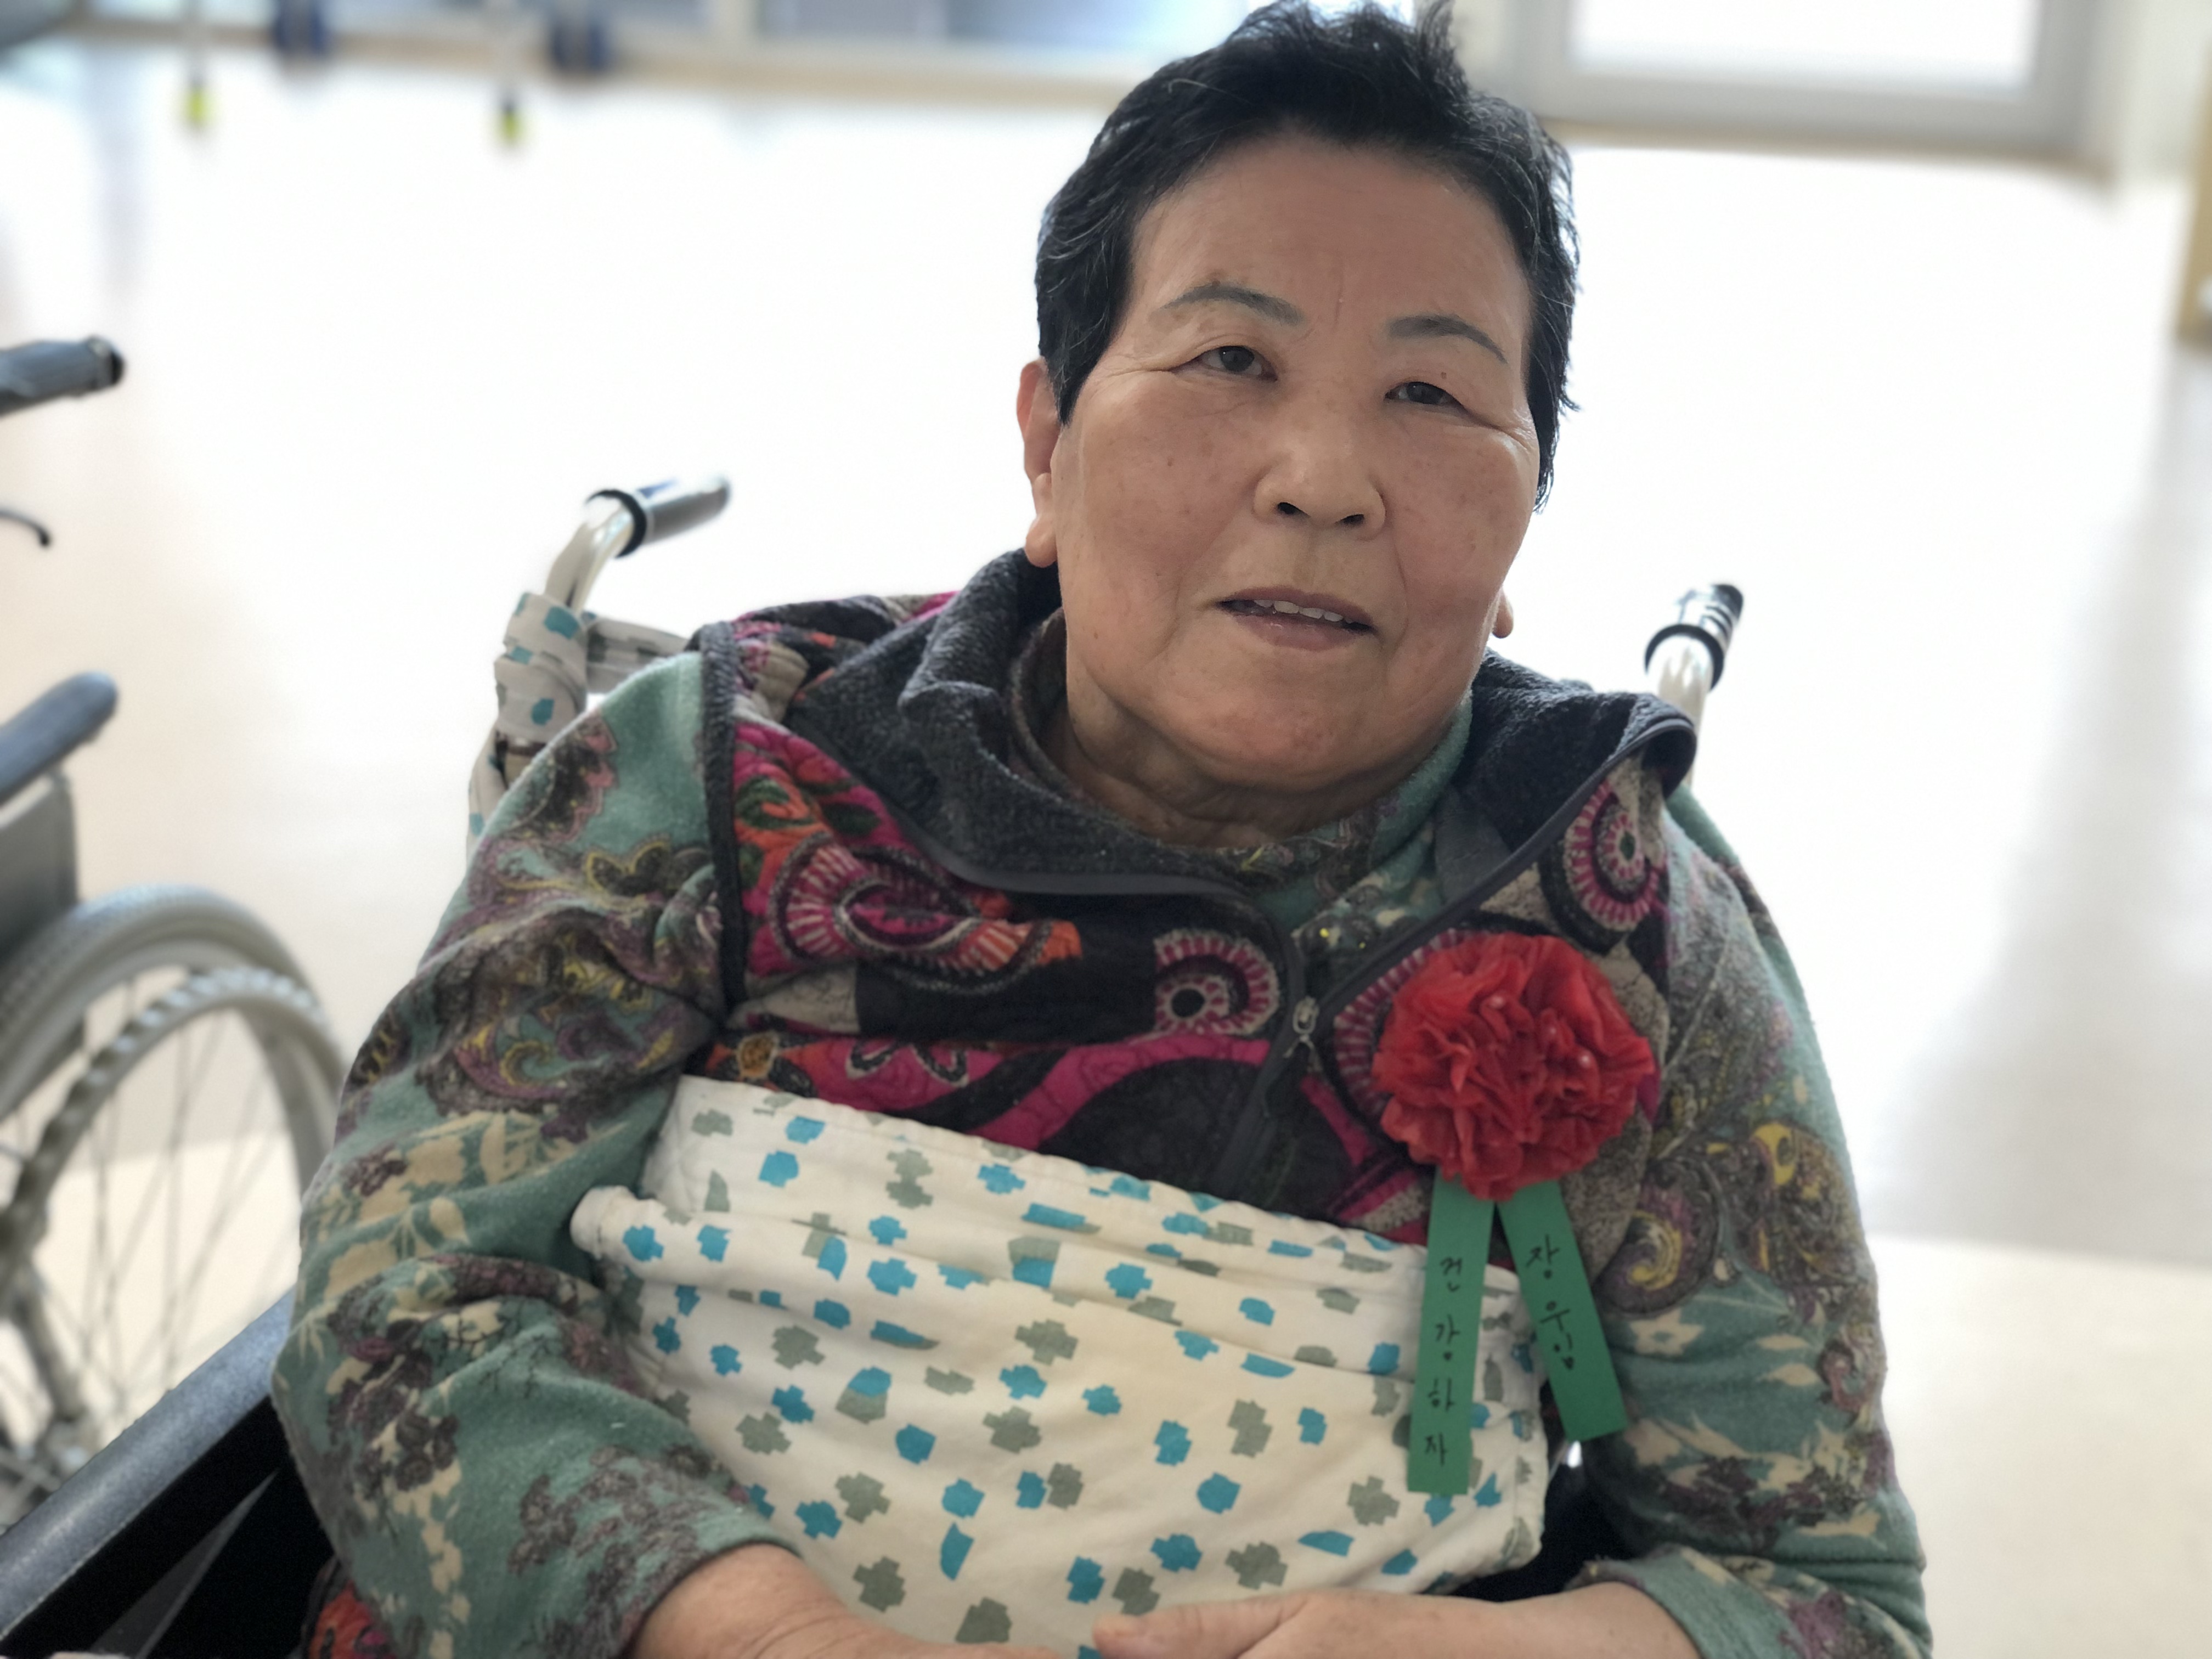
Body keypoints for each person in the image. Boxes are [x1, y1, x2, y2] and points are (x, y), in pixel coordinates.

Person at [275, 7, 1927, 1658]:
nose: (1325, 477)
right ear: (1050, 448)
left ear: (1522, 524)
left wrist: (1467, 1650)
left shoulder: (1621, 917)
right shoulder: (720, 780)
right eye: (1230, 361)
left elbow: (1820, 1594)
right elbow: (401, 1305)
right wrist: (764, 1636)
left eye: (1431, 392)